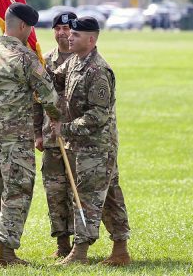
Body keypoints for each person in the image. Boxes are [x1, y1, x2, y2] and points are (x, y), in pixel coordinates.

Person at [0, 2, 61, 266]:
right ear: (24, 26)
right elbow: (49, 96)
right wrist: (56, 118)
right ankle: (7, 251)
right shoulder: (25, 57)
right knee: (17, 192)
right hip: (17, 137)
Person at [51, 17, 131, 266]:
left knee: (85, 197)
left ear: (91, 39)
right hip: (83, 145)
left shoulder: (98, 70)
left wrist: (65, 128)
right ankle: (121, 251)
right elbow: (55, 80)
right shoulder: (75, 61)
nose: (69, 38)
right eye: (69, 34)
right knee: (109, 198)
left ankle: (80, 252)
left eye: (75, 35)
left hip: (97, 146)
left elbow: (97, 116)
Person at [34, 11, 77, 258]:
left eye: (67, 29)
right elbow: (36, 100)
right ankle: (62, 244)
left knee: (77, 190)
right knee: (55, 192)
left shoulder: (83, 59)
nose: (62, 33)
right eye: (57, 29)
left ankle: (80, 244)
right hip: (51, 138)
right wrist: (36, 134)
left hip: (78, 140)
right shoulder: (44, 60)